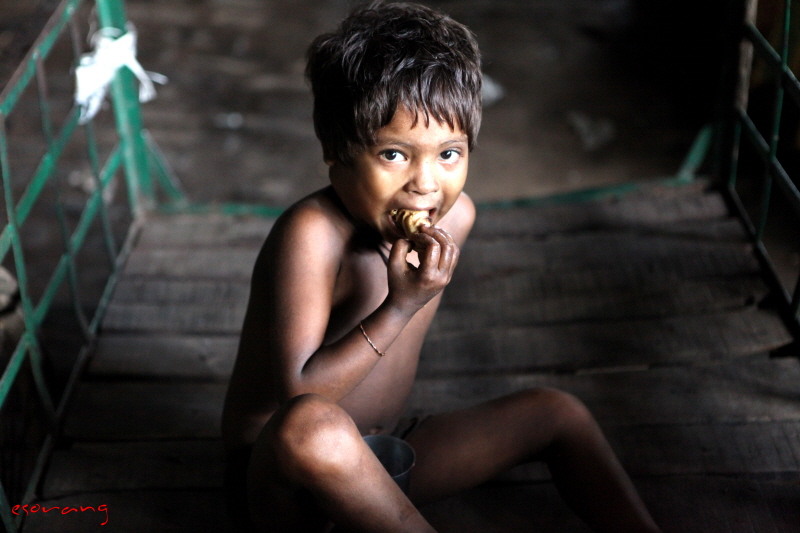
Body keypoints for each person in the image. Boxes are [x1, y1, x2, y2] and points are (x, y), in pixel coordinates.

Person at [221, 2, 661, 532]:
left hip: (386, 454)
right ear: (336, 150)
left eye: (448, 154)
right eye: (394, 155)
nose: (426, 185)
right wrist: (400, 305)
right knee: (314, 426)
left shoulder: (456, 217)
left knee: (557, 413)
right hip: (285, 479)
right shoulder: (313, 233)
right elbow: (300, 395)